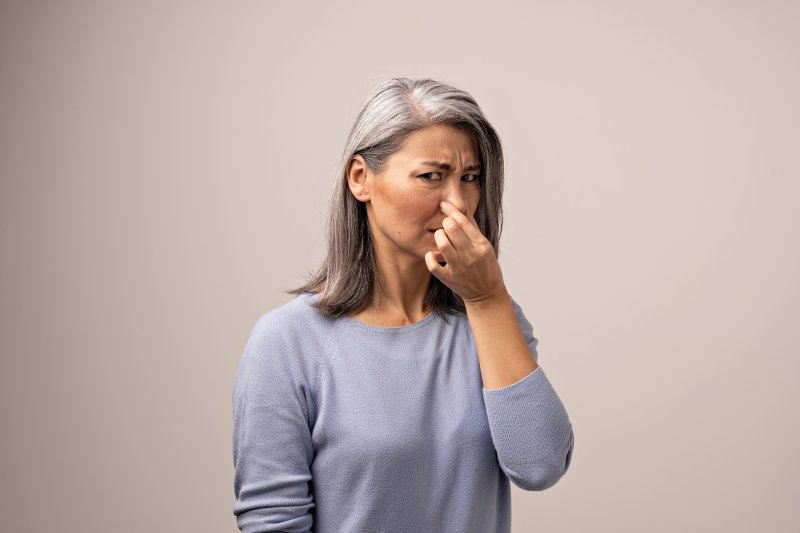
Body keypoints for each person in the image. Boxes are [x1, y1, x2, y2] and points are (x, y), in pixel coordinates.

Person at [232, 77, 575, 533]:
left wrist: (488, 299)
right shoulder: (288, 343)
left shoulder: (492, 319)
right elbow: (272, 521)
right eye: (431, 176)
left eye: (469, 178)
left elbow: (540, 466)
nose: (458, 203)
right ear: (361, 179)